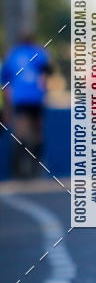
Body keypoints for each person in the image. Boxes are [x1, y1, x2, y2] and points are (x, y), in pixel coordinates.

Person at [1, 32, 51, 178]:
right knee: (37, 131)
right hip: (36, 97)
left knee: (20, 131)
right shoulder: (40, 52)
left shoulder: (13, 54)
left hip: (19, 98)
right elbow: (47, 73)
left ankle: (19, 169)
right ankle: (36, 166)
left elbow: (5, 79)